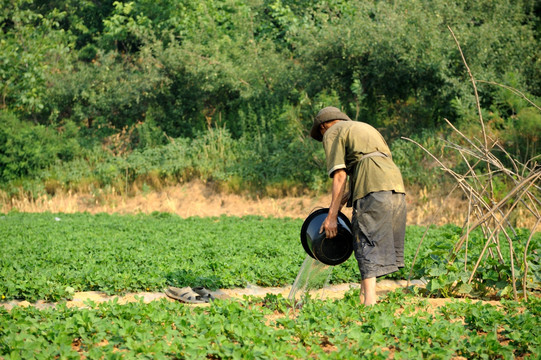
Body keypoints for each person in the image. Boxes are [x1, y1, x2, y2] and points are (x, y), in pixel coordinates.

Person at [310, 106, 406, 305]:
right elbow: (372, 161)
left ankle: (369, 303)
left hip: (371, 186)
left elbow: (339, 175)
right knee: (374, 239)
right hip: (396, 186)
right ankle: (365, 296)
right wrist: (348, 195)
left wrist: (331, 216)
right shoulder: (363, 128)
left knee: (364, 240)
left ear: (323, 127)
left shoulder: (332, 133)